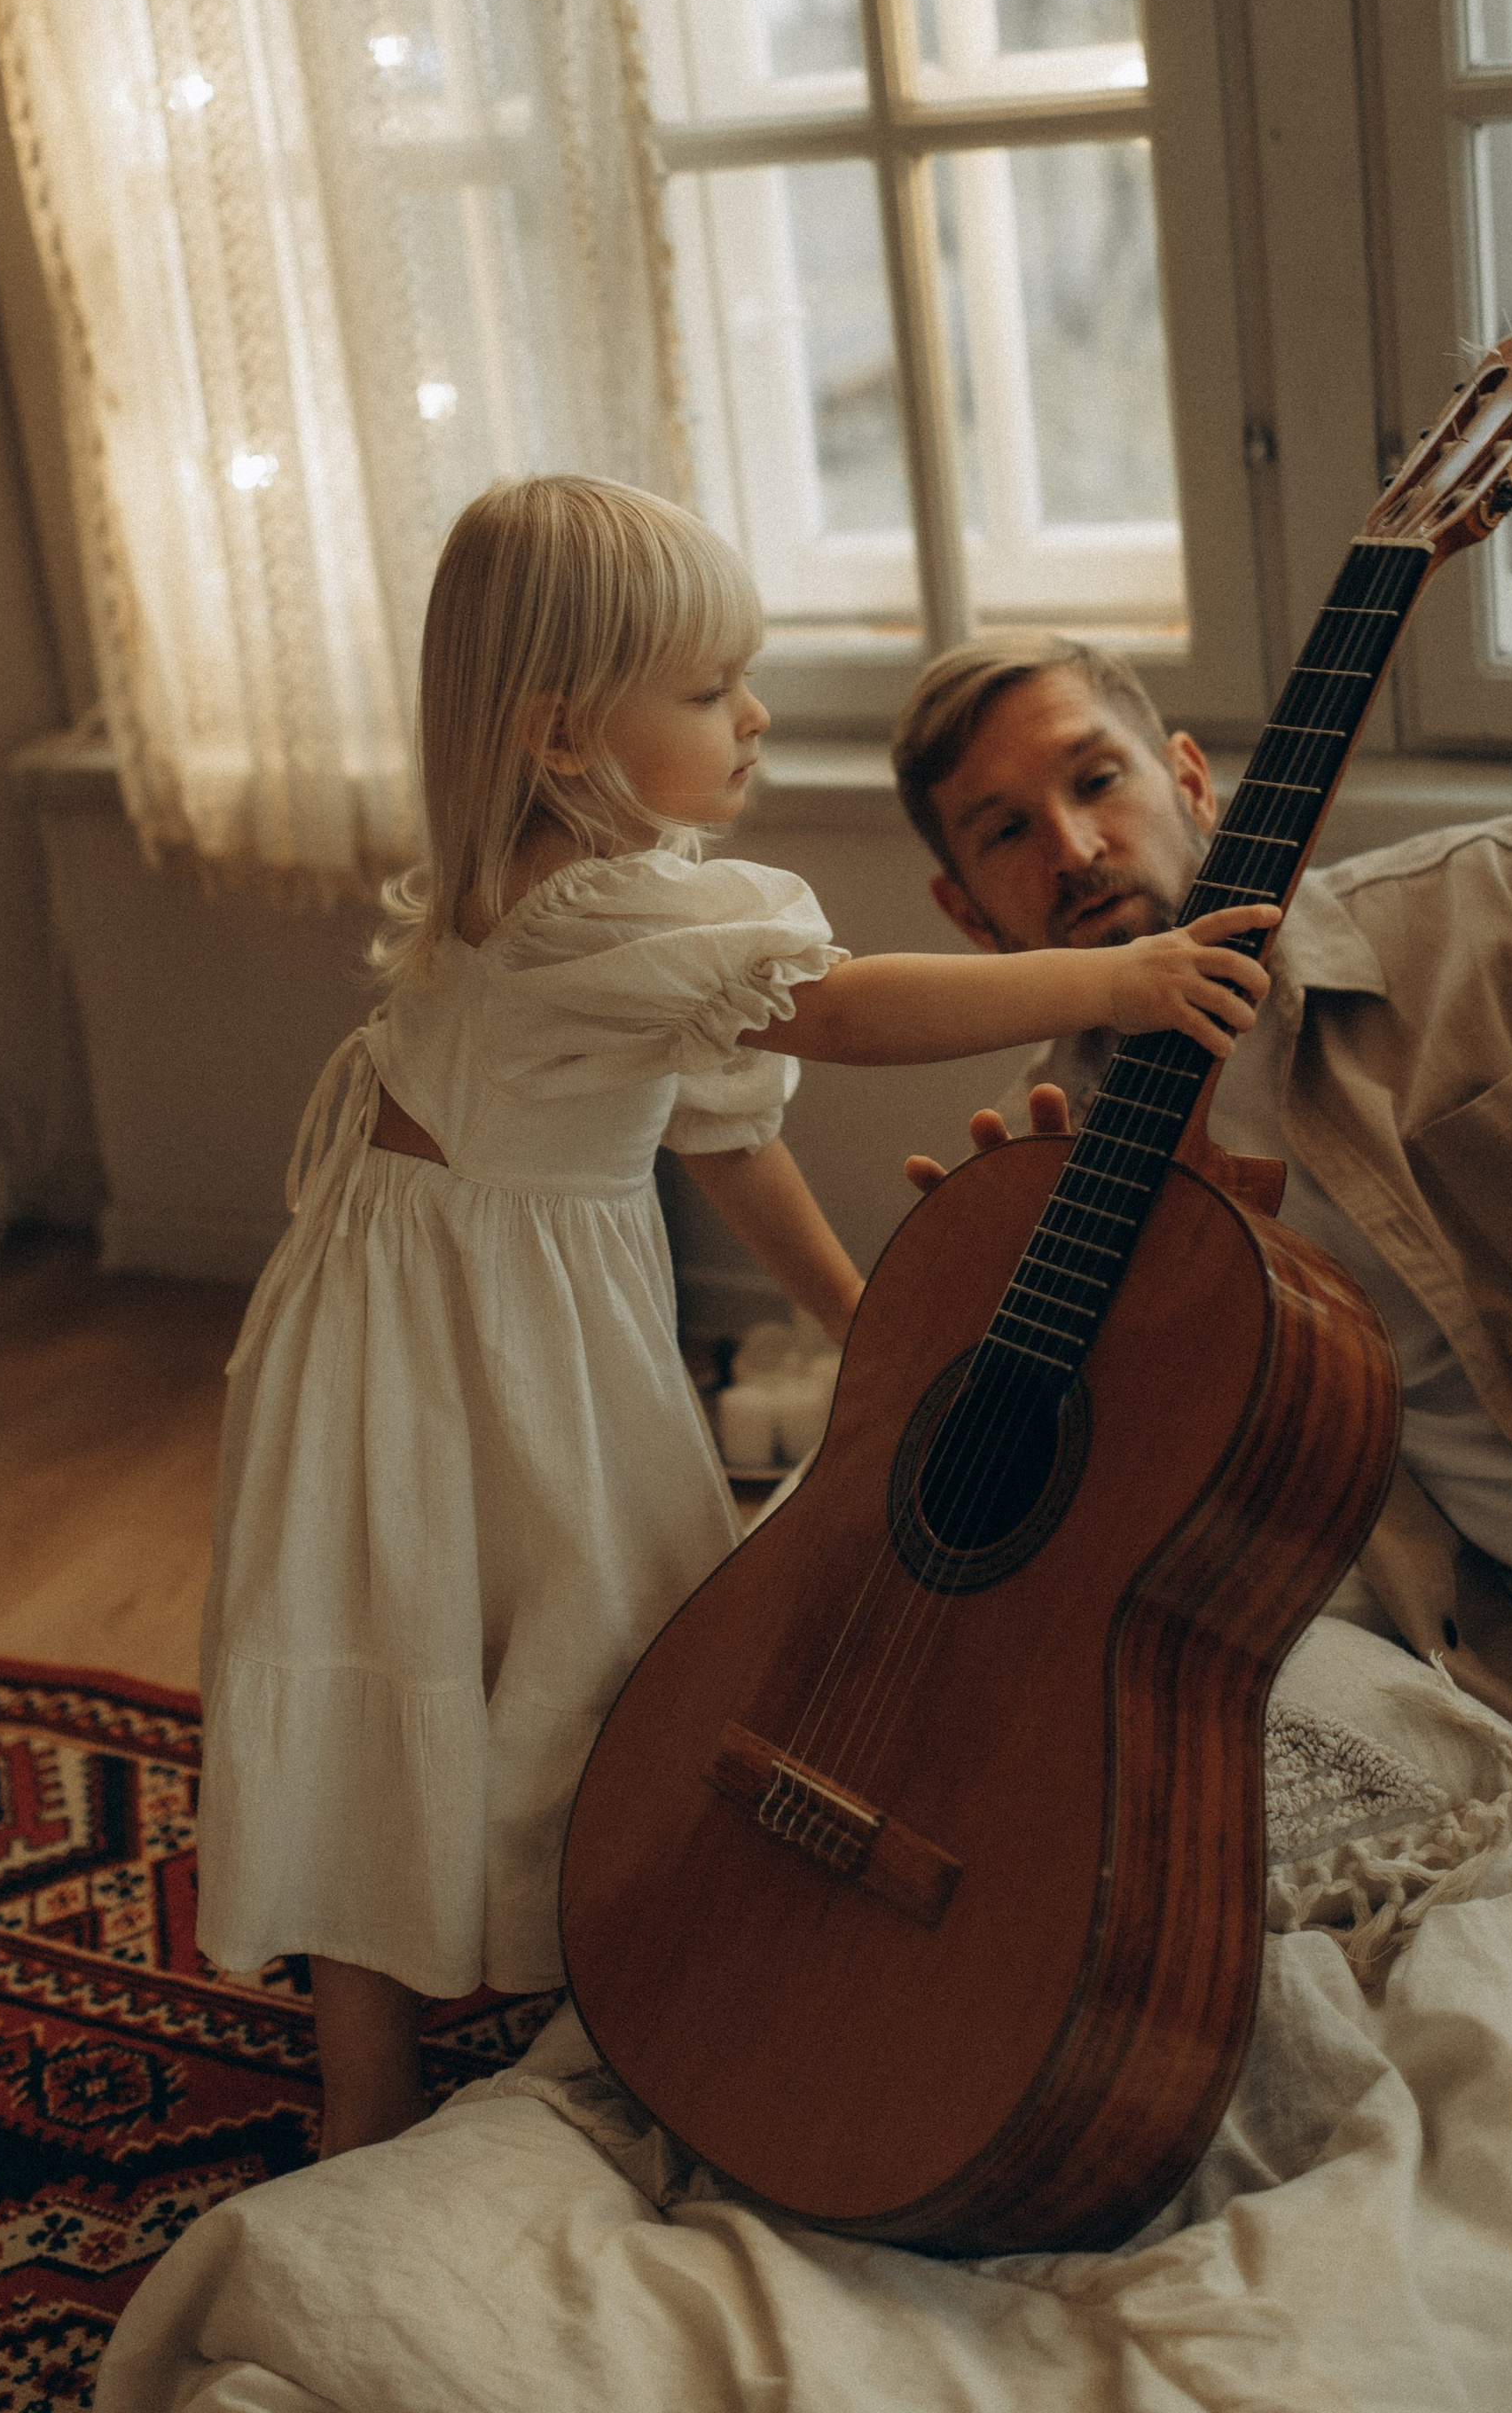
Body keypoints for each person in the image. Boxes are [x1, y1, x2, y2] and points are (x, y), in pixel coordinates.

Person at [197, 487, 1281, 2157]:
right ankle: (477, 2040)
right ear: (565, 730)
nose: (753, 717)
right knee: (562, 1644)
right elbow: (835, 1012)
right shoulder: (596, 918)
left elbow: (724, 1125)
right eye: (708, 692)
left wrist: (864, 1326)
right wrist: (1111, 983)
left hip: (405, 1337)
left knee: (428, 1654)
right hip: (462, 1368)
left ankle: (449, 2032)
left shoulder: (585, 898)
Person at [890, 630, 1512, 1832]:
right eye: (1006, 830)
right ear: (961, 910)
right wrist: (1009, 1382)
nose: (1075, 849)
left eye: (1095, 781)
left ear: (1189, 780)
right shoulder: (1048, 1176)